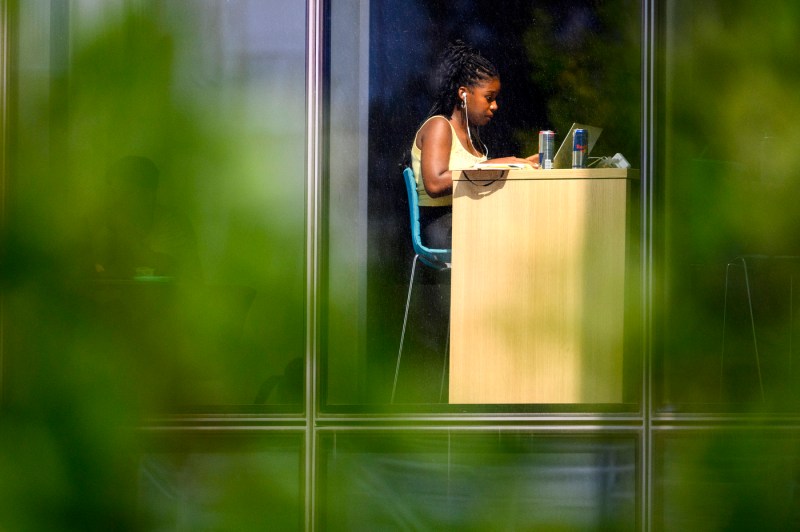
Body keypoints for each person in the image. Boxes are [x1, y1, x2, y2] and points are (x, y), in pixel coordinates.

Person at [410, 40, 539, 249]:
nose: (495, 106)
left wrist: (522, 165)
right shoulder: (439, 126)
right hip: (442, 224)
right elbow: (434, 184)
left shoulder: (473, 137)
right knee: (512, 238)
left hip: (468, 217)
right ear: (463, 93)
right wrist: (491, 166)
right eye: (489, 98)